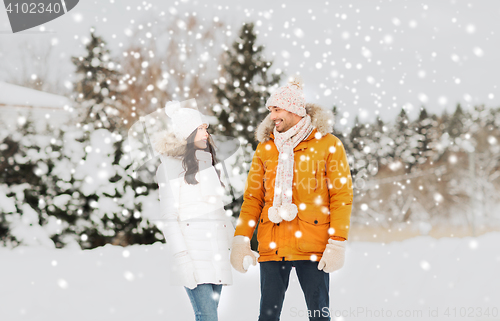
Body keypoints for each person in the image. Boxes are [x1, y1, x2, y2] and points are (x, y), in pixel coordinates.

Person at [230, 77, 353, 321]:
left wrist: (337, 242)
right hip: (273, 246)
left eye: (277, 109)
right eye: (270, 110)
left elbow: (341, 196)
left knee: (319, 315)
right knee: (267, 316)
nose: (272, 115)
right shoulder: (265, 148)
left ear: (295, 109)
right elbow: (253, 197)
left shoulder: (328, 145)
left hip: (312, 246)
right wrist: (241, 239)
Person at [154, 101, 233, 321]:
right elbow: (169, 218)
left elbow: (219, 213)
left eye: (206, 128)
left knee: (211, 317)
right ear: (188, 133)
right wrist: (182, 259)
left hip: (215, 253)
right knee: (207, 317)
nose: (207, 133)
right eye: (201, 129)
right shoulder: (168, 167)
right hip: (193, 256)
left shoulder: (207, 163)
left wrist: (236, 245)